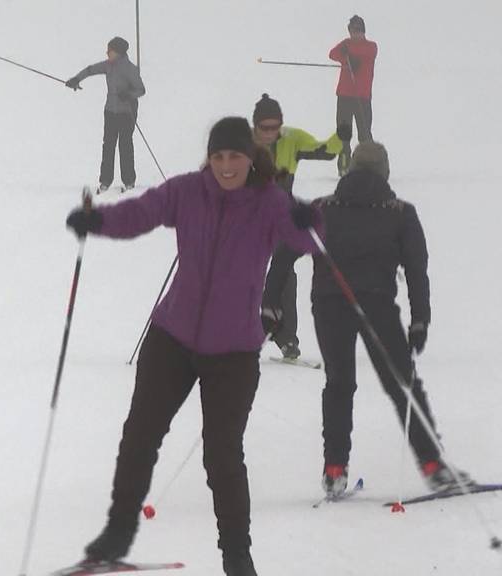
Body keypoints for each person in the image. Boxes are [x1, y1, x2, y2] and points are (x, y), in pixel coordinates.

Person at [65, 117, 321, 576]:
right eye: (219, 156)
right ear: (210, 157)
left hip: (234, 351)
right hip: (173, 336)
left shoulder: (269, 203)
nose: (226, 166)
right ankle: (117, 533)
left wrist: (309, 216)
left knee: (222, 456)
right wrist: (97, 219)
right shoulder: (187, 191)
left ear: (249, 157)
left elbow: (309, 240)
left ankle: (237, 558)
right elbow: (139, 213)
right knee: (140, 435)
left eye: (235, 157)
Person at [263, 143, 470, 498]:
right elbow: (417, 270)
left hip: (328, 305)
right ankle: (435, 468)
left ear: (350, 170)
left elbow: (284, 254)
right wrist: (420, 319)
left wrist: (271, 305)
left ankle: (334, 470)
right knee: (402, 383)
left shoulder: (321, 209)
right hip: (377, 305)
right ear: (385, 171)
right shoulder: (400, 212)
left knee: (339, 384)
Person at [252, 93, 348, 359]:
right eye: (264, 128)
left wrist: (341, 136)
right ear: (255, 126)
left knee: (284, 274)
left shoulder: (291, 139)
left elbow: (324, 151)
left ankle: (286, 338)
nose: (270, 133)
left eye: (275, 127)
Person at [66, 36, 146, 194]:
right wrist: (76, 79)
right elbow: (90, 70)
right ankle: (105, 181)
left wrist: (128, 95)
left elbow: (141, 90)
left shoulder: (130, 69)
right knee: (108, 146)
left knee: (125, 146)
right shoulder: (108, 66)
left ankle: (129, 181)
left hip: (126, 113)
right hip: (110, 112)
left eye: (109, 50)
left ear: (118, 52)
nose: (107, 52)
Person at [329, 15, 378, 176]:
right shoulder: (346, 44)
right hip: (344, 95)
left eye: (358, 30)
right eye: (352, 30)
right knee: (344, 134)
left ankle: (369, 166)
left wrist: (350, 56)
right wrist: (345, 56)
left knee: (364, 134)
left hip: (362, 96)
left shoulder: (371, 46)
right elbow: (332, 53)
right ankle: (344, 166)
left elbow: (365, 54)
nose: (355, 34)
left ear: (363, 31)